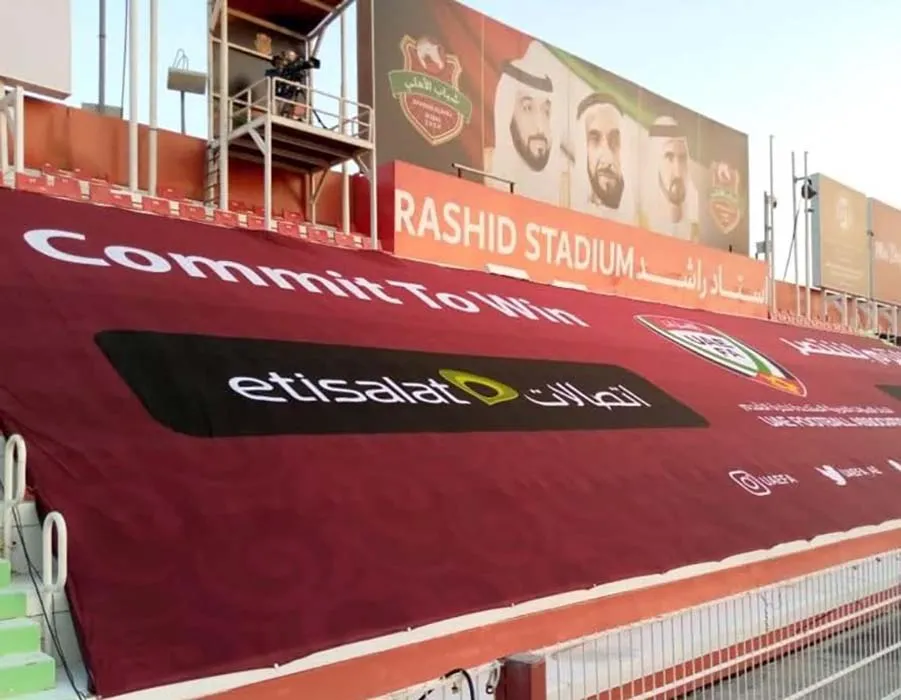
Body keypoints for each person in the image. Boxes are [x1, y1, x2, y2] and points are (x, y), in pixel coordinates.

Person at [485, 41, 571, 206]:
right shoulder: (486, 171)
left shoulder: (565, 188)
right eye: (527, 108)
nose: (540, 127)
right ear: (507, 113)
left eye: (546, 111)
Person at [639, 116, 699, 241]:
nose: (677, 172)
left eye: (682, 158)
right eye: (669, 158)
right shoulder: (640, 224)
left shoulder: (694, 230)